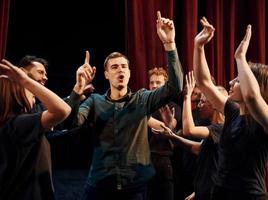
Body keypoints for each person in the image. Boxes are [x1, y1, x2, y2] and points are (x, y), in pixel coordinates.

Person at [66, 11, 183, 200]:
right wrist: (78, 89)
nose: (120, 69)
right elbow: (72, 124)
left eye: (124, 66)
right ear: (105, 74)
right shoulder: (94, 101)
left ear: (129, 73)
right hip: (99, 186)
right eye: (114, 67)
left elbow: (175, 86)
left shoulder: (142, 98)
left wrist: (169, 44)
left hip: (134, 189)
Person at [193, 17, 268, 200]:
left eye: (238, 80)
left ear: (256, 85)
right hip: (220, 193)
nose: (231, 82)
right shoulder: (234, 111)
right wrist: (198, 46)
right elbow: (204, 82)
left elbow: (252, 97)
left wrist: (240, 57)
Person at [0, 59, 71, 200]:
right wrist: (25, 80)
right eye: (29, 91)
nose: (34, 96)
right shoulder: (17, 124)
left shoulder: (13, 125)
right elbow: (62, 110)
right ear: (16, 93)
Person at [183, 72, 227, 200]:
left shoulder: (220, 128)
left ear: (214, 105)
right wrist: (172, 136)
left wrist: (186, 97)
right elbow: (198, 148)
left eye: (202, 102)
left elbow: (188, 130)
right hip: (205, 189)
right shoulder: (214, 129)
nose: (199, 105)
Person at [146, 67, 182, 200]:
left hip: (163, 162)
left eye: (158, 82)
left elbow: (172, 129)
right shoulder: (143, 106)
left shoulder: (174, 107)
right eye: (151, 82)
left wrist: (169, 124)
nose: (154, 86)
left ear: (165, 85)